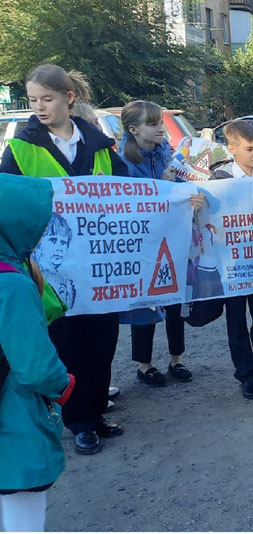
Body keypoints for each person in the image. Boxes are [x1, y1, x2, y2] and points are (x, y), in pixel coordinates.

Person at [0, 64, 128, 455]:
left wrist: (176, 200)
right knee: (67, 343)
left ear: (69, 98)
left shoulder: (101, 145)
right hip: (50, 267)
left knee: (103, 342)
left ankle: (98, 410)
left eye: (47, 99)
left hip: (100, 267)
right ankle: (80, 423)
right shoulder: (20, 148)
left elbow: (136, 195)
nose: (38, 107)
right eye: (33, 99)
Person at [0, 175, 75, 532]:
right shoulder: (12, 283)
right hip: (13, 418)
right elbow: (35, 367)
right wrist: (63, 384)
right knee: (22, 513)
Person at [118, 100, 205, 387]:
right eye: (153, 123)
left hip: (173, 234)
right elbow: (130, 202)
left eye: (160, 122)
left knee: (174, 300)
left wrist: (189, 194)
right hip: (143, 240)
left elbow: (182, 189)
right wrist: (163, 184)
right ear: (134, 129)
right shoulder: (123, 160)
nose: (161, 129)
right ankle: (145, 365)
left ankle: (176, 359)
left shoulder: (167, 152)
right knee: (146, 300)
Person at [211, 121, 253, 400]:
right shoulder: (219, 178)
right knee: (236, 320)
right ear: (231, 149)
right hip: (233, 263)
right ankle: (246, 375)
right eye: (249, 149)